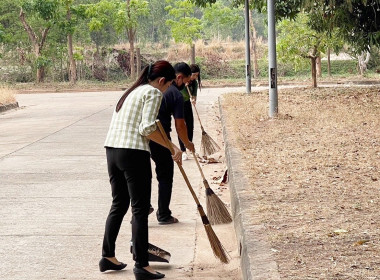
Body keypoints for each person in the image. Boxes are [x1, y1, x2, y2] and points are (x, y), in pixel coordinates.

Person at [100, 60, 181, 280]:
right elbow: (146, 129)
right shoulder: (153, 93)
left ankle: (107, 256)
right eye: (168, 84)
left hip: (112, 151)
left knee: (119, 203)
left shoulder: (131, 91)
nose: (167, 89)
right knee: (140, 208)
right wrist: (171, 147)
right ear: (162, 81)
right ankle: (142, 265)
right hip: (133, 153)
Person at [150, 62, 195, 225]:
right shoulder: (175, 94)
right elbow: (180, 125)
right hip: (160, 136)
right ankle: (163, 214)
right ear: (179, 78)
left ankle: (142, 207)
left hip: (142, 135)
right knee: (165, 174)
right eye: (186, 82)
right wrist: (187, 143)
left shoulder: (150, 88)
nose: (185, 86)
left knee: (143, 174)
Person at [178, 64, 202, 160]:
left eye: (197, 75)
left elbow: (194, 94)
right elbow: (182, 93)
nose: (195, 77)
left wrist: (193, 99)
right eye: (194, 75)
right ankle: (183, 150)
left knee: (190, 126)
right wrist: (185, 87)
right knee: (182, 126)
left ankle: (189, 148)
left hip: (188, 104)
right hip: (180, 104)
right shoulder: (183, 82)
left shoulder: (194, 83)